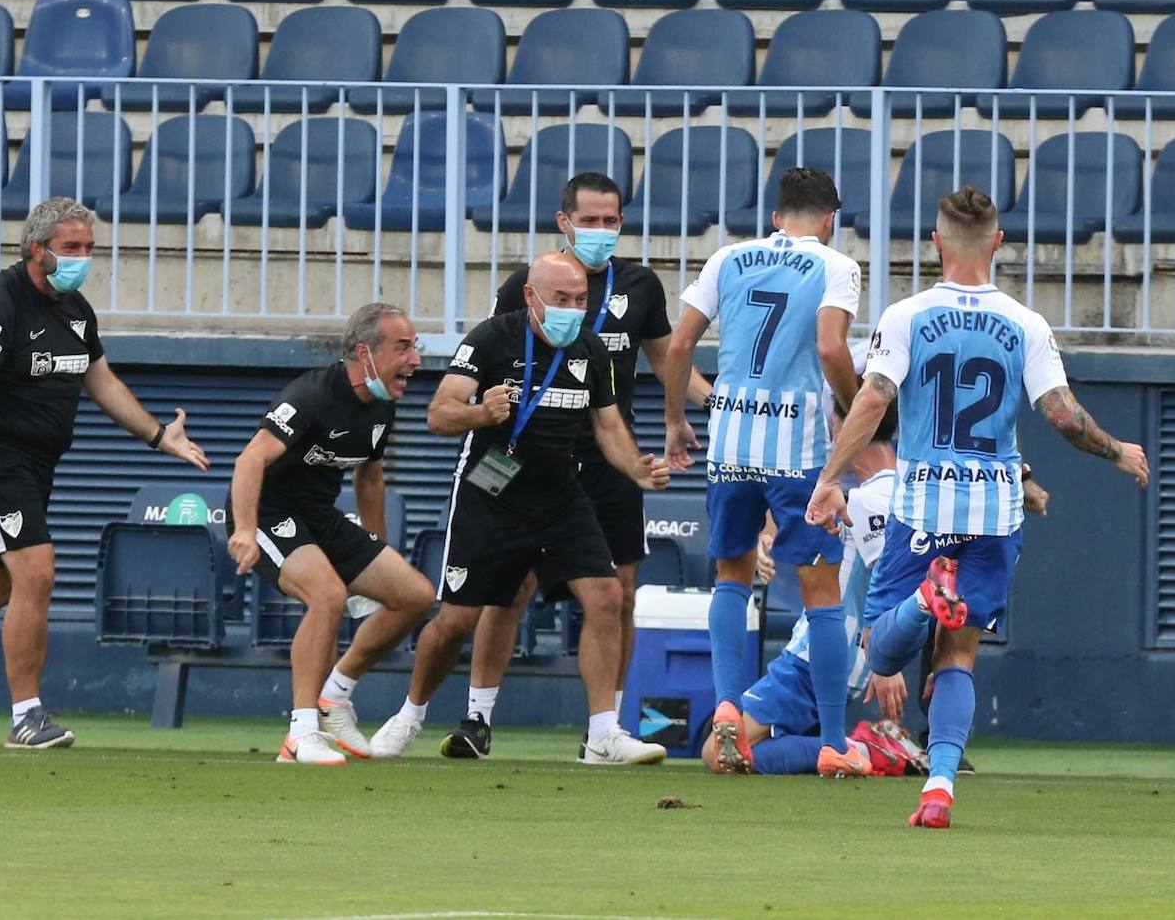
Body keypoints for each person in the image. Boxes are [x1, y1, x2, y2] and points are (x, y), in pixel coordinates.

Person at [806, 185, 1149, 828]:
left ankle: (919, 602)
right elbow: (1061, 416)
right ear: (997, 242)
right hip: (994, 510)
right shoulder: (1027, 323)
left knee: (882, 652)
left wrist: (829, 479)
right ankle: (938, 788)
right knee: (958, 652)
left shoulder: (906, 315)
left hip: (923, 503)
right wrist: (1116, 451)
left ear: (935, 243)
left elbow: (874, 398)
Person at [0, 198, 210, 750]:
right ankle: (27, 717)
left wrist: (157, 434)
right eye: (71, 248)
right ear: (38, 250)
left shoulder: (76, 309)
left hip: (37, 464)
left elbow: (101, 382)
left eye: (88, 249)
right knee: (37, 572)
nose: (82, 258)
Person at [443, 172, 712, 760]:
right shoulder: (525, 282)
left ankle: (604, 732)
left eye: (611, 220)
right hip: (532, 456)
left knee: (620, 593)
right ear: (564, 223)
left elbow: (668, 360)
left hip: (612, 456)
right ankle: (478, 718)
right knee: (508, 594)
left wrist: (715, 403)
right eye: (589, 220)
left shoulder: (639, 285)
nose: (601, 230)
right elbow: (495, 350)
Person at [369, 252, 672, 764]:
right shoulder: (492, 339)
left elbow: (608, 426)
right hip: (491, 495)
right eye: (562, 299)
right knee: (458, 620)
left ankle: (603, 733)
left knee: (606, 596)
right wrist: (480, 411)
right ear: (531, 296)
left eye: (581, 300)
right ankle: (411, 714)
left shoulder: (590, 348)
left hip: (560, 494)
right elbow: (438, 415)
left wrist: (636, 469)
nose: (573, 309)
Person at [663, 167, 868, 777]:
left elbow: (677, 348)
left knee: (731, 576)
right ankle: (834, 742)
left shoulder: (727, 258)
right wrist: (853, 407)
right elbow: (832, 348)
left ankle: (728, 705)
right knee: (821, 594)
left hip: (729, 442)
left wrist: (676, 420)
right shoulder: (836, 266)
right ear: (830, 219)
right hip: (796, 448)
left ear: (776, 217)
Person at [225, 302, 433, 765]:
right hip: (266, 512)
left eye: (414, 347)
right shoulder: (312, 395)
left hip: (318, 516)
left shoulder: (382, 406)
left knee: (415, 595)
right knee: (328, 596)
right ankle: (300, 734)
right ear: (365, 352)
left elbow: (370, 478)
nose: (415, 359)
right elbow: (249, 460)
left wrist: (377, 545)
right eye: (403, 348)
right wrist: (242, 529)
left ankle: (334, 695)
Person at [705, 398, 916, 776]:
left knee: (719, 753)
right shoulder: (900, 490)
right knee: (768, 746)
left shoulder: (868, 500)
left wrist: (886, 658)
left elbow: (889, 580)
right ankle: (852, 747)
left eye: (832, 421)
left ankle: (871, 748)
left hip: (811, 660)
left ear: (846, 426)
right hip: (847, 663)